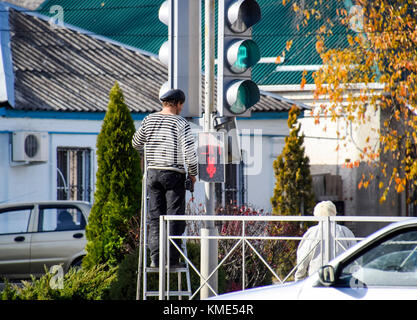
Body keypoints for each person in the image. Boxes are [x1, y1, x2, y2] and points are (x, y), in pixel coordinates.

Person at [132, 88, 198, 268]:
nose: (182, 108)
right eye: (181, 105)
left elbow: (136, 142)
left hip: (152, 173)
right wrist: (192, 174)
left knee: (155, 219)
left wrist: (151, 151)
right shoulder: (180, 123)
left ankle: (155, 260)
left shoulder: (149, 119)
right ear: (177, 104)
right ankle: (172, 261)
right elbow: (190, 153)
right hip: (173, 173)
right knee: (174, 218)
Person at [294, 201, 356, 281]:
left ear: (316, 215)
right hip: (341, 278)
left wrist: (299, 277)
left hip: (316, 278)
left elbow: (303, 258)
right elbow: (355, 257)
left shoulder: (312, 232)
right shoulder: (345, 231)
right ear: (334, 213)